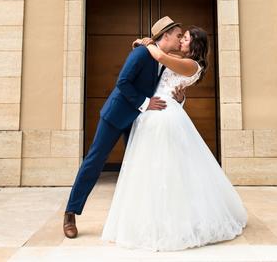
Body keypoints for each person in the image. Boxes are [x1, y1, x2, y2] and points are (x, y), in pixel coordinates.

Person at [101, 26, 247, 251]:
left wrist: (146, 41)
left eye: (185, 38)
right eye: (180, 36)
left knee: (168, 169)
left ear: (194, 44)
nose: (181, 40)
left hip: (164, 115)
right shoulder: (180, 59)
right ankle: (148, 217)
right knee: (151, 168)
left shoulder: (191, 64)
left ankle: (171, 222)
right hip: (155, 110)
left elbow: (159, 55)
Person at [63, 16, 186, 239]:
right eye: (178, 35)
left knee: (139, 167)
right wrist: (145, 103)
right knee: (94, 161)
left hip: (139, 121)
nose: (180, 40)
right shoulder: (140, 53)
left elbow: (163, 89)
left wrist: (178, 99)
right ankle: (70, 213)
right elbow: (123, 82)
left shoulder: (165, 59)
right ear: (165, 35)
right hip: (116, 115)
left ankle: (138, 220)